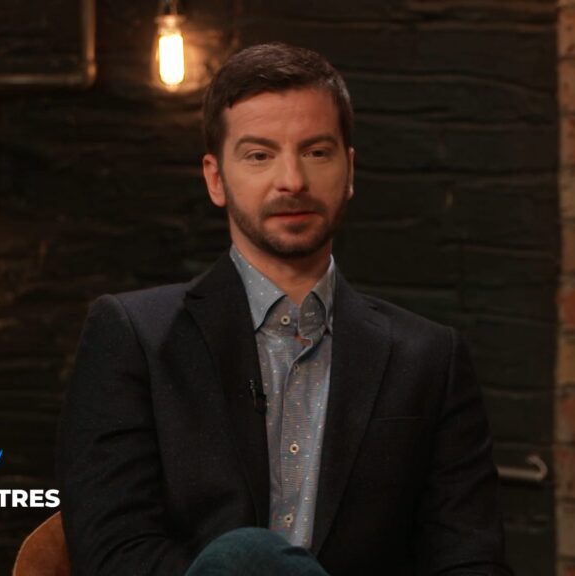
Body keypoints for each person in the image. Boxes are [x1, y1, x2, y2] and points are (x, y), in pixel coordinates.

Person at [57, 42, 510, 576]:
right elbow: (112, 551)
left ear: (349, 170)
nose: (292, 180)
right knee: (245, 555)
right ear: (215, 179)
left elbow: (470, 560)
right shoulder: (133, 337)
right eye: (259, 155)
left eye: (316, 152)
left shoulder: (430, 357)